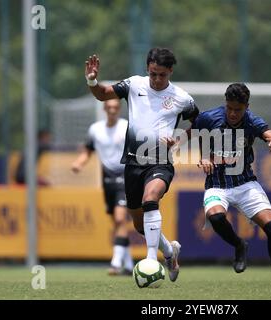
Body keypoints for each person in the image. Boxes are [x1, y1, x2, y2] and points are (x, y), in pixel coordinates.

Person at [84, 47, 199, 282]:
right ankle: (169, 252)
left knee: (151, 199)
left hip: (160, 162)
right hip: (133, 164)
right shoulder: (134, 85)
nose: (157, 79)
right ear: (148, 68)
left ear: (171, 72)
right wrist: (92, 79)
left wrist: (179, 139)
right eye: (154, 73)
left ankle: (149, 261)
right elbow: (103, 94)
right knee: (139, 224)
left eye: (163, 75)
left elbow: (200, 121)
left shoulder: (182, 98)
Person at [191, 83, 271, 288]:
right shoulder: (210, 117)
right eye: (229, 108)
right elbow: (195, 132)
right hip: (217, 184)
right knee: (216, 216)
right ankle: (239, 245)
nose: (233, 113)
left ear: (247, 107)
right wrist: (204, 157)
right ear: (225, 104)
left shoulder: (252, 121)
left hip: (245, 183)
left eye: (238, 109)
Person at [71, 99, 134, 276]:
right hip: (107, 180)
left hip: (125, 177)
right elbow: (87, 151)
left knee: (121, 219)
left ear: (119, 109)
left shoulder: (127, 127)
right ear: (105, 109)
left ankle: (115, 263)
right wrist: (79, 163)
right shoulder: (95, 129)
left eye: (115, 107)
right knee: (116, 223)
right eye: (110, 107)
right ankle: (128, 265)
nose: (113, 110)